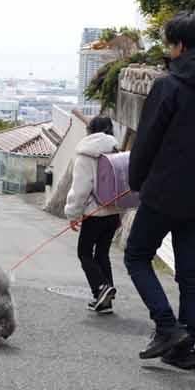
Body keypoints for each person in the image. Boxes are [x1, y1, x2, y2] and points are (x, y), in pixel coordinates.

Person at [124, 10, 195, 369]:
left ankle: (166, 327)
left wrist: (137, 181)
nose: (169, 52)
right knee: (188, 271)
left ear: (182, 46)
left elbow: (146, 141)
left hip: (163, 192)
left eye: (170, 45)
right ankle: (185, 349)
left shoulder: (168, 86)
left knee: (137, 256)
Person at [64, 116, 122, 314]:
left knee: (84, 253)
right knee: (102, 253)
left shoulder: (86, 154)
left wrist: (73, 214)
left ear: (90, 130)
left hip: (94, 213)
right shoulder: (115, 150)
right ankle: (104, 299)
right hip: (113, 212)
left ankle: (101, 287)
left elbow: (80, 189)